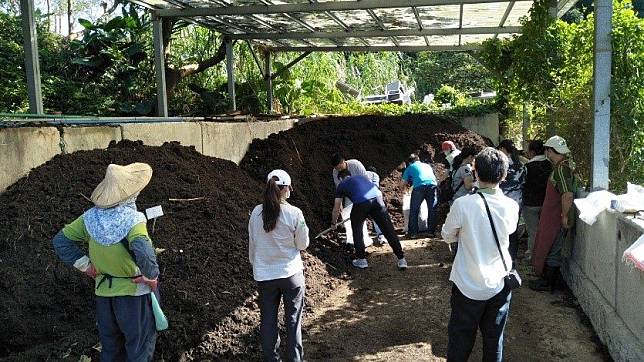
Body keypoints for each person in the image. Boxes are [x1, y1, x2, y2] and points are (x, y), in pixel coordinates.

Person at [52, 163, 159, 361]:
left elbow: (61, 241)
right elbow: (143, 250)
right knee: (139, 348)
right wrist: (152, 276)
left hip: (103, 294)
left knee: (110, 349)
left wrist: (86, 265)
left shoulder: (89, 218)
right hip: (134, 295)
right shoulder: (133, 220)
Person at [441, 148, 519, 362]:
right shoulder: (511, 206)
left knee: (460, 340)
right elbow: (511, 232)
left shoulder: (463, 204)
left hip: (466, 284)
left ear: (475, 172)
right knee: (494, 341)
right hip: (499, 285)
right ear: (503, 175)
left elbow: (447, 236)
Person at [248, 169, 310, 362]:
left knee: (268, 321)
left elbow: (253, 244)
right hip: (291, 274)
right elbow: (302, 244)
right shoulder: (294, 213)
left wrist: (257, 265)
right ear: (285, 189)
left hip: (265, 276)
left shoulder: (256, 212)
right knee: (293, 321)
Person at [331, 170, 407, 270]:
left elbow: (336, 207)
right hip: (377, 199)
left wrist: (333, 223)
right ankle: (401, 259)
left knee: (357, 231)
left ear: (340, 178)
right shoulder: (361, 177)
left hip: (360, 204)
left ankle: (361, 260)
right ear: (350, 175)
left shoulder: (341, 185)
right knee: (388, 229)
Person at [530, 136, 577, 292]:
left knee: (553, 248)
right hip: (553, 215)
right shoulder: (562, 168)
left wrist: (564, 216)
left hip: (556, 217)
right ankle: (547, 279)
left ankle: (549, 283)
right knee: (550, 246)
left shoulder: (561, 170)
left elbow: (567, 194)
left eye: (547, 150)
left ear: (550, 151)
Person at [497, 139, 527, 266]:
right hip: (517, 202)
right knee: (512, 231)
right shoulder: (522, 165)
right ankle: (512, 261)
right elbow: (524, 183)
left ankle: (500, 259)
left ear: (503, 149)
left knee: (499, 230)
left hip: (500, 201)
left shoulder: (501, 165)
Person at [522, 140, 552, 262]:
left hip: (530, 204)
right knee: (545, 229)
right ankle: (546, 255)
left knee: (533, 230)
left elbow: (523, 183)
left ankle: (532, 255)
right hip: (545, 202)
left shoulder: (528, 167)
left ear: (533, 152)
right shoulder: (550, 165)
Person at [401, 153, 438, 238]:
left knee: (414, 210)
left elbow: (402, 183)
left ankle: (413, 233)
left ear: (409, 162)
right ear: (418, 159)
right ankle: (431, 232)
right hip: (432, 186)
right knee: (432, 209)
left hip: (419, 188)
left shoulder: (410, 167)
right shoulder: (427, 166)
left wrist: (403, 190)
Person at [366, 166, 387, 245]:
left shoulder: (363, 174)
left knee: (361, 217)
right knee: (377, 215)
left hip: (362, 196)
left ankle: (362, 236)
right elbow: (375, 186)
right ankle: (381, 236)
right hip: (374, 195)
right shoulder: (375, 175)